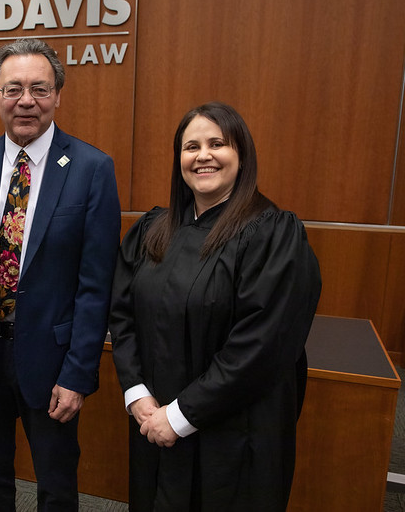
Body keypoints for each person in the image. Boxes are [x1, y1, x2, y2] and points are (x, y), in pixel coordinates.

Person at [109, 102, 321, 511]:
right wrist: (137, 394)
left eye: (217, 143)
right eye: (191, 147)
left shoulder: (273, 235)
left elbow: (262, 345)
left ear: (241, 155)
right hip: (152, 417)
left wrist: (182, 415)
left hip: (233, 431)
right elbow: (122, 314)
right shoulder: (153, 230)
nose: (202, 155)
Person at [0, 38, 121, 511]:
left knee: (57, 485)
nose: (26, 101)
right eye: (13, 88)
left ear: (58, 95)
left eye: (39, 89)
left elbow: (96, 285)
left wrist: (79, 374)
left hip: (53, 361)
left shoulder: (92, 169)